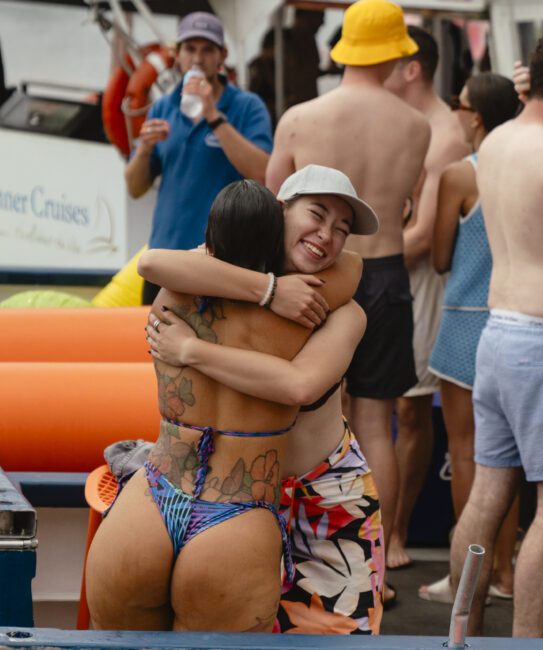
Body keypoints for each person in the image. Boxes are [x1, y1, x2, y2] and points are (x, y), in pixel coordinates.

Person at [145, 165, 386, 635]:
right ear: (280, 210)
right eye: (316, 215)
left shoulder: (342, 308)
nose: (327, 236)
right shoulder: (225, 272)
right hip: (234, 497)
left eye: (341, 229)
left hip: (322, 497)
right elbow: (151, 264)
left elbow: (300, 386)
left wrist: (192, 350)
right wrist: (269, 291)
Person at [265, 0, 430, 597]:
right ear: (395, 54)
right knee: (375, 424)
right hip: (384, 272)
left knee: (305, 419)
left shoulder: (302, 116)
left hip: (317, 278)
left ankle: (294, 555)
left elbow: (271, 200)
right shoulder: (417, 126)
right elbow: (405, 206)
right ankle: (379, 566)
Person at [449, 27, 543, 637]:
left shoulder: (500, 142)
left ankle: (461, 630)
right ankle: (526, 644)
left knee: (487, 500)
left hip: (499, 334)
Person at [417, 73, 521, 603]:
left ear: (476, 115)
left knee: (466, 453)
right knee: (506, 457)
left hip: (463, 323)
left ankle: (468, 577)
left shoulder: (461, 175)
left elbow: (438, 259)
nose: (455, 113)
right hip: (515, 318)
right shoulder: (527, 165)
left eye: (459, 105)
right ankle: (504, 570)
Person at [382, 25, 470, 569]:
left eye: (385, 63)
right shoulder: (401, 124)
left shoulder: (445, 135)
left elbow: (420, 239)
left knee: (409, 411)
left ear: (411, 69)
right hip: (389, 271)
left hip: (416, 279)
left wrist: (358, 258)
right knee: (374, 408)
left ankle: (395, 532)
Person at [124, 11, 273, 304]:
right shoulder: (163, 107)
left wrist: (212, 115)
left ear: (222, 56)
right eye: (190, 49)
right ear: (177, 55)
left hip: (222, 263)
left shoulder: (246, 106)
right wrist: (143, 149)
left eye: (207, 50)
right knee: (152, 347)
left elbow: (263, 172)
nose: (197, 58)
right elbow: (135, 187)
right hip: (165, 260)